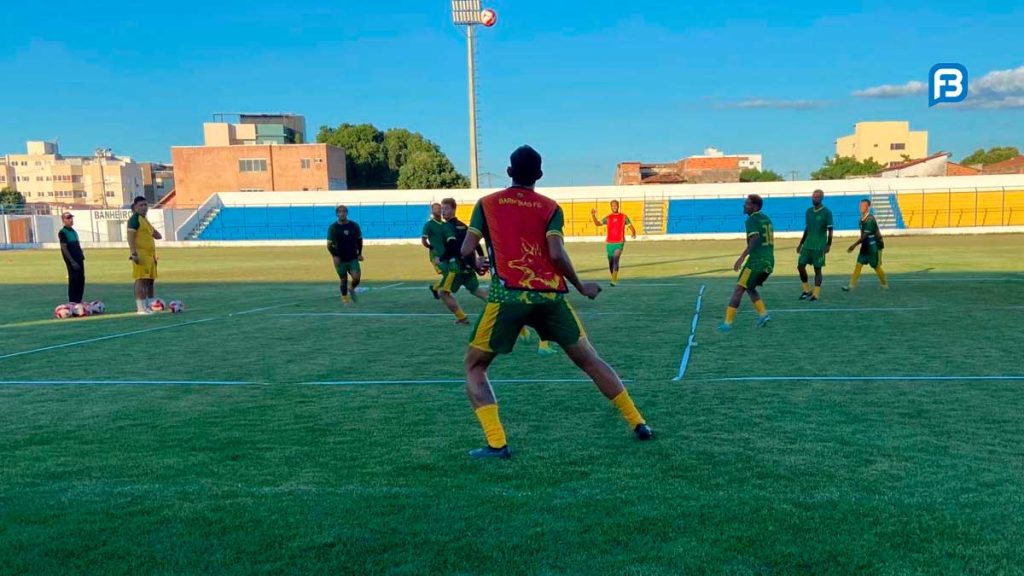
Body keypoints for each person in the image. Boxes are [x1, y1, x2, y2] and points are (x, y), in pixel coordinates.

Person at [460, 145, 652, 459]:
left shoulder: (487, 203)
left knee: (475, 366)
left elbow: (467, 249)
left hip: (508, 295)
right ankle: (638, 423)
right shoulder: (550, 207)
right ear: (539, 175)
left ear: (509, 172)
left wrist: (477, 264)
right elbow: (555, 254)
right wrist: (579, 285)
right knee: (591, 360)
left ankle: (497, 444)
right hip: (550, 295)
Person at [719, 194, 774, 332]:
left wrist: (742, 257)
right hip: (769, 261)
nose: (744, 205)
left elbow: (754, 239)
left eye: (747, 203)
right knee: (749, 287)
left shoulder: (751, 220)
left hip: (756, 261)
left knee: (739, 289)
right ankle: (763, 314)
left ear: (755, 206)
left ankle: (727, 324)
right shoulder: (766, 218)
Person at [437, 197, 488, 324]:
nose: (443, 212)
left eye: (446, 209)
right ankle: (499, 309)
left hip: (456, 267)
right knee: (476, 290)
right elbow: (474, 240)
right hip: (468, 265)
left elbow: (452, 246)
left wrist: (441, 258)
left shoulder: (446, 227)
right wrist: (480, 256)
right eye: (442, 209)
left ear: (454, 209)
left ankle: (462, 318)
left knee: (443, 293)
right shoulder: (463, 226)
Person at [842, 199, 889, 292]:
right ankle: (851, 286)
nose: (862, 207)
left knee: (876, 266)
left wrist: (854, 245)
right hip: (865, 247)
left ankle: (884, 284)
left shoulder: (870, 220)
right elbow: (863, 236)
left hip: (873, 247)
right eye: (861, 205)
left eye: (864, 205)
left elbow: (864, 236)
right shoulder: (861, 219)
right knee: (858, 265)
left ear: (868, 207)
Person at [796, 189, 834, 302]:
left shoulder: (827, 212)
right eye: (813, 197)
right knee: (800, 266)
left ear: (822, 198)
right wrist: (800, 243)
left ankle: (816, 294)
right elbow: (807, 228)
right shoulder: (808, 211)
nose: (814, 199)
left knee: (817, 270)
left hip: (819, 246)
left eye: (817, 197)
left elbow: (830, 229)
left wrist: (828, 244)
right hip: (807, 245)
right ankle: (806, 290)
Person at [127, 196, 162, 314]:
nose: (144, 207)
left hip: (150, 255)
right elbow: (130, 237)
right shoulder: (134, 219)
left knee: (150, 281)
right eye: (141, 205)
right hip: (140, 254)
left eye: (145, 205)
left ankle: (150, 305)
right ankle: (140, 307)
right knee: (140, 280)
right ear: (135, 207)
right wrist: (133, 253)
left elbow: (156, 235)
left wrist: (155, 233)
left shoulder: (145, 220)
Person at [591, 200, 637, 286]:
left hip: (619, 242)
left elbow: (630, 226)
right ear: (611, 207)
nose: (614, 207)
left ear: (618, 206)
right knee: (610, 262)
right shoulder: (608, 218)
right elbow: (597, 224)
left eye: (616, 205)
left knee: (616, 258)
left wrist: (633, 232)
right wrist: (593, 215)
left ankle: (614, 280)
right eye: (613, 206)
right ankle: (613, 277)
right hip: (609, 243)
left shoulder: (624, 217)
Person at [327, 205, 363, 304]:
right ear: (337, 214)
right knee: (343, 279)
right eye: (340, 212)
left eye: (344, 211)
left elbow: (359, 240)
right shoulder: (333, 228)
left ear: (347, 213)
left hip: (352, 257)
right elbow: (329, 245)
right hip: (340, 259)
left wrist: (360, 253)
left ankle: (351, 288)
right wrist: (335, 255)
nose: (342, 213)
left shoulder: (354, 225)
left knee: (356, 278)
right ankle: (345, 300)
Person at [57, 212, 85, 304]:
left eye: (71, 218)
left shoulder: (73, 231)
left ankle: (79, 300)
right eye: (68, 218)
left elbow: (77, 244)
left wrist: (81, 254)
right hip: (72, 260)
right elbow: (64, 248)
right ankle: (73, 301)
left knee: (81, 279)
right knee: (74, 280)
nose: (70, 220)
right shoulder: (62, 232)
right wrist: (71, 261)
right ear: (63, 220)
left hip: (79, 258)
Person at [421, 202, 446, 299]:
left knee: (450, 273)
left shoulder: (444, 224)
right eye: (435, 208)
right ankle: (439, 290)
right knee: (447, 273)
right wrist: (430, 247)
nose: (438, 210)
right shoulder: (429, 225)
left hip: (446, 255)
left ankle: (436, 288)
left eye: (439, 208)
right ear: (432, 211)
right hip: (436, 256)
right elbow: (424, 240)